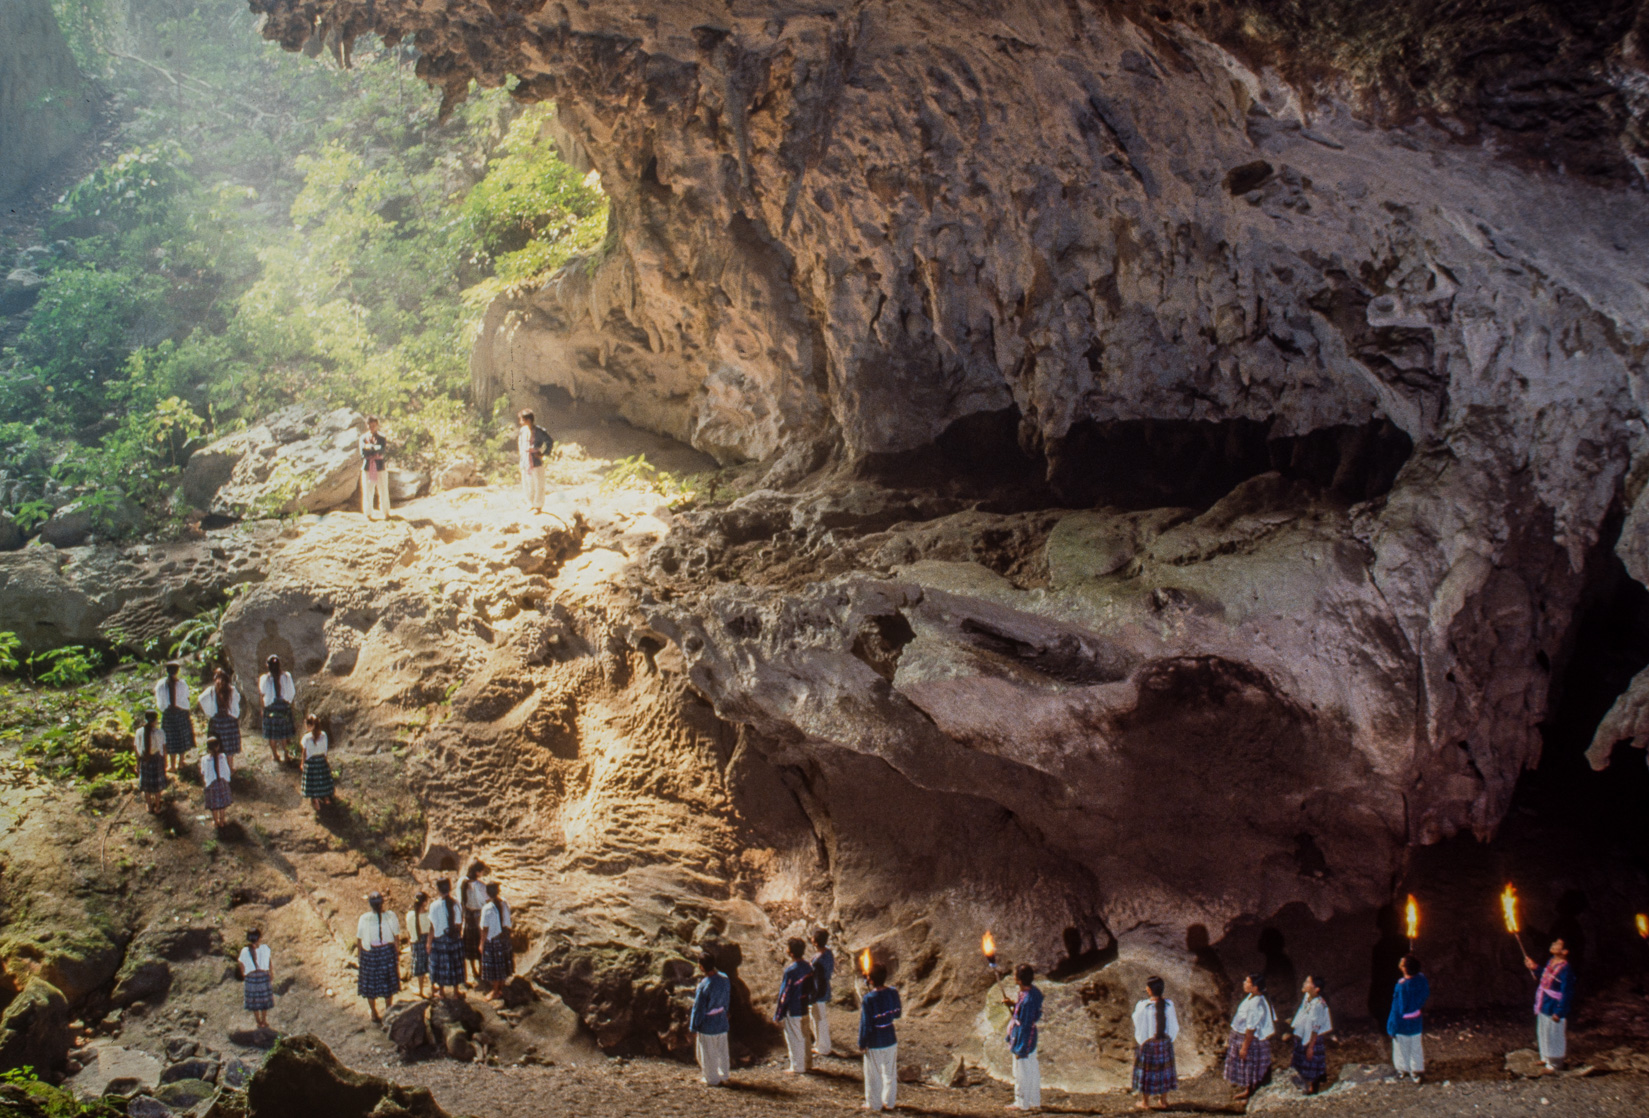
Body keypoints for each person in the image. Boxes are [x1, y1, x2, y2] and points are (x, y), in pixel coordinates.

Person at [1525, 938, 1575, 1071]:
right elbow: (1546, 976)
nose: (1553, 944)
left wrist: (1560, 1011)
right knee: (1543, 1031)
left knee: (1555, 1033)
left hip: (1554, 1005)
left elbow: (1567, 992)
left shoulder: (1566, 969)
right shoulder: (1550, 962)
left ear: (1564, 951)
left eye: (1557, 944)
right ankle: (1546, 1057)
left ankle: (1555, 1064)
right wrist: (1535, 967)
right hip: (1544, 1002)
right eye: (1553, 943)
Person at [1223, 973, 1275, 1101]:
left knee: (1251, 1066)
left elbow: (1251, 1028)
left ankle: (1252, 1095)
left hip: (1249, 1039)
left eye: (1247, 982)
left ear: (1255, 987)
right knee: (1248, 1066)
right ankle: (1249, 1090)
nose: (1244, 984)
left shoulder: (1256, 1004)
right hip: (1241, 1035)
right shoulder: (1252, 997)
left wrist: (1245, 1047)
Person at [859, 962, 902, 1113]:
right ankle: (889, 1102)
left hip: (875, 1040)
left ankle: (874, 1104)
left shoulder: (868, 999)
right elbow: (897, 1013)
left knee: (873, 1073)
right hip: (890, 1038)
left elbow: (866, 1023)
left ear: (870, 979)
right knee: (889, 1072)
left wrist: (862, 1042)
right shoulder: (893, 992)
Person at [1131, 975, 1179, 1110]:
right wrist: (1169, 1040)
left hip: (1148, 1045)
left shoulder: (1143, 1007)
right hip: (1164, 1043)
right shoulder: (1169, 1005)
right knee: (1164, 1071)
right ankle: (1163, 1101)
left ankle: (1145, 1102)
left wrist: (1142, 1040)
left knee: (1147, 1072)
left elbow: (1137, 1022)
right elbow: (1175, 1026)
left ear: (1149, 990)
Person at [356, 892, 401, 1023]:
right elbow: (397, 936)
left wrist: (360, 957)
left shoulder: (364, 919)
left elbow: (359, 939)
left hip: (370, 954)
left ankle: (374, 1013)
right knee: (387, 982)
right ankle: (388, 1010)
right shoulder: (390, 916)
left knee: (371, 985)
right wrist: (396, 953)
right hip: (387, 952)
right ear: (382, 903)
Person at [1004, 963, 1044, 1111]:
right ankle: (1034, 1101)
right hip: (1028, 1036)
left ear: (1020, 980)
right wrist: (1013, 1005)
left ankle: (1022, 1103)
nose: (1013, 977)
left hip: (1025, 1037)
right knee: (1032, 1068)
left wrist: (1021, 1048)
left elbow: (1026, 1023)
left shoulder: (1028, 1000)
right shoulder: (1033, 992)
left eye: (1015, 975)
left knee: (1021, 1071)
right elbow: (1026, 1013)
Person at [689, 951, 732, 1087]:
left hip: (708, 1023)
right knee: (722, 1051)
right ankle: (724, 1075)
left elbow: (698, 1009)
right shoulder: (724, 978)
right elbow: (726, 998)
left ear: (701, 967)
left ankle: (712, 1079)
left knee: (707, 1053)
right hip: (721, 1019)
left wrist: (694, 1026)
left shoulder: (704, 985)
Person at [773, 937, 814, 1074]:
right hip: (804, 1005)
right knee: (805, 1035)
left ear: (791, 953)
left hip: (793, 1008)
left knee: (794, 1037)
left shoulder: (791, 971)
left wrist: (779, 1012)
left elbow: (785, 993)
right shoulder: (808, 966)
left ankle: (797, 1067)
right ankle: (808, 1063)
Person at [1386, 955, 1429, 1083]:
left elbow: (1397, 1009)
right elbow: (1425, 992)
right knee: (1416, 1045)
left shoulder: (1402, 986)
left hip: (1402, 1023)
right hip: (1416, 1020)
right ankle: (1417, 1071)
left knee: (1401, 1047)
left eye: (1403, 962)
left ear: (1404, 968)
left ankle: (1402, 1070)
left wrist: (1391, 1027)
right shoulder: (1421, 979)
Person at [1290, 975, 1333, 1094]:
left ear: (1316, 988)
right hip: (1303, 1034)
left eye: (1308, 982)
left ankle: (1314, 1088)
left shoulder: (1318, 1004)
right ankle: (1302, 1084)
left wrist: (1311, 1047)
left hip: (1312, 1038)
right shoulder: (1307, 997)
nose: (1304, 984)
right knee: (1300, 1059)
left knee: (1312, 1061)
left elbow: (1316, 1027)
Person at [198, 667, 242, 771]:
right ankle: (230, 769)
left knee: (218, 746)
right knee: (229, 747)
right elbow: (237, 700)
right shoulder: (231, 690)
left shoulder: (211, 690)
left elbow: (200, 700)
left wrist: (208, 712)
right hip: (229, 721)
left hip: (217, 721)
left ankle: (219, 769)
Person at [154, 661, 194, 774]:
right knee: (181, 737)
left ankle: (172, 765)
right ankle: (181, 762)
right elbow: (186, 698)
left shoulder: (161, 685)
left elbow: (160, 702)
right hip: (181, 712)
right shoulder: (182, 684)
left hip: (168, 714)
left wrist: (166, 709)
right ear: (177, 671)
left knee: (170, 739)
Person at [428, 878, 466, 998]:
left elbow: (432, 927)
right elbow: (459, 923)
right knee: (455, 964)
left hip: (440, 940)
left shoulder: (434, 906)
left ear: (438, 890)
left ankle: (442, 992)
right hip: (454, 938)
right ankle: (456, 992)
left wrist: (428, 942)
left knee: (440, 966)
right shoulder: (456, 903)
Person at [479, 881, 515, 999]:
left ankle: (495, 991)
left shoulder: (487, 908)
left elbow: (485, 928)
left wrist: (481, 943)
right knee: (503, 964)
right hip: (504, 937)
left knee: (495, 967)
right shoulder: (504, 903)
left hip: (493, 939)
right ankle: (502, 987)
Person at [259, 655, 296, 765]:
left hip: (270, 707)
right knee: (283, 733)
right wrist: (288, 703)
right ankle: (286, 754)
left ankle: (275, 755)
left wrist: (262, 708)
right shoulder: (286, 676)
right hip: (283, 706)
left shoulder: (265, 678)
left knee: (272, 734)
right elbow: (291, 693)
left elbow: (262, 694)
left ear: (267, 666)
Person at [238, 929, 274, 1031]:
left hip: (251, 977)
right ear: (259, 938)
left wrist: (244, 974)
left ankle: (258, 1020)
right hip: (263, 975)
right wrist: (271, 973)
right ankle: (264, 1020)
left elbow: (241, 964)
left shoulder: (244, 951)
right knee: (264, 999)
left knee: (254, 999)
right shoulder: (264, 948)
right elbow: (269, 962)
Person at [517, 409, 552, 514]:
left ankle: (538, 506)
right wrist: (523, 455)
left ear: (528, 420)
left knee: (538, 483)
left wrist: (543, 453)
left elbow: (549, 441)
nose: (520, 422)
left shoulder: (539, 431)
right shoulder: (522, 431)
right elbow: (520, 444)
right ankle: (531, 503)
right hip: (525, 461)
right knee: (527, 483)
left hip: (535, 460)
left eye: (522, 420)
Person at [809, 927, 836, 1059]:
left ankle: (824, 1047)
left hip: (818, 990)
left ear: (815, 941)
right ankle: (819, 1044)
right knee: (817, 1017)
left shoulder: (819, 960)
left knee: (819, 1019)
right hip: (822, 988)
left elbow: (818, 978)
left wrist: (813, 995)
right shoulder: (828, 953)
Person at [461, 863, 488, 987]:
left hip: (468, 916)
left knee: (470, 944)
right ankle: (482, 971)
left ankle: (474, 971)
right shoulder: (481, 886)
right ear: (477, 872)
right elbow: (487, 900)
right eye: (482, 871)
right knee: (481, 942)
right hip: (479, 915)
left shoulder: (464, 884)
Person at [299, 713, 334, 808]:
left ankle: (315, 799)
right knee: (323, 779)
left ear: (310, 726)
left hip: (311, 763)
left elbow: (304, 752)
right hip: (321, 760)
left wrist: (302, 763)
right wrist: (325, 760)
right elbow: (325, 750)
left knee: (313, 782)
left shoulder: (306, 738)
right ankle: (326, 797)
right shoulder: (324, 735)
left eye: (307, 725)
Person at [135, 710, 166, 813]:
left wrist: (138, 762)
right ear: (156, 720)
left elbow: (136, 747)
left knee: (146, 785)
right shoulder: (160, 732)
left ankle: (149, 806)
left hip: (145, 759)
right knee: (157, 785)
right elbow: (163, 747)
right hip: (157, 759)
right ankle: (157, 806)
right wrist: (165, 761)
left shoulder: (139, 732)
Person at [360, 416, 391, 520]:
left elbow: (382, 450)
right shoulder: (363, 438)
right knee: (368, 489)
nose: (371, 427)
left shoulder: (381, 438)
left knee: (383, 489)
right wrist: (374, 449)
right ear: (367, 425)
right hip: (368, 466)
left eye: (373, 425)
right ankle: (368, 512)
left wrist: (370, 448)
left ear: (376, 425)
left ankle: (386, 512)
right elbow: (363, 453)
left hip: (379, 466)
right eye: (369, 425)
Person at [200, 736, 233, 828]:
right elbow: (226, 771)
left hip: (211, 785)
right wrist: (227, 780)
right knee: (222, 805)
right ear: (218, 746)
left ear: (207, 748)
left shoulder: (204, 759)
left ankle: (216, 821)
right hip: (222, 783)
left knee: (214, 806)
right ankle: (222, 821)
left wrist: (206, 782)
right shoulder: (222, 757)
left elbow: (203, 772)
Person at [406, 892, 433, 999]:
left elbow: (409, 931)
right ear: (425, 902)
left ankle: (421, 990)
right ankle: (433, 987)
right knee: (431, 964)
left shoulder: (410, 915)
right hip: (428, 941)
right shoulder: (428, 915)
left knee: (420, 966)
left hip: (416, 941)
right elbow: (432, 930)